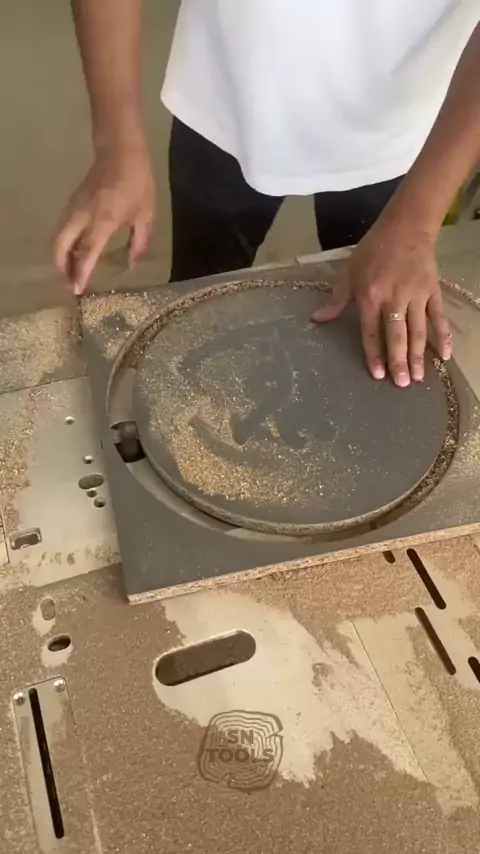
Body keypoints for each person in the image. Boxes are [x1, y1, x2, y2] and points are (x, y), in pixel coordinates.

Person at [54, 1, 480, 388]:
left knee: (366, 326)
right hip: (223, 92)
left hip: (403, 126)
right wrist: (117, 145)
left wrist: (416, 223)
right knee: (200, 290)